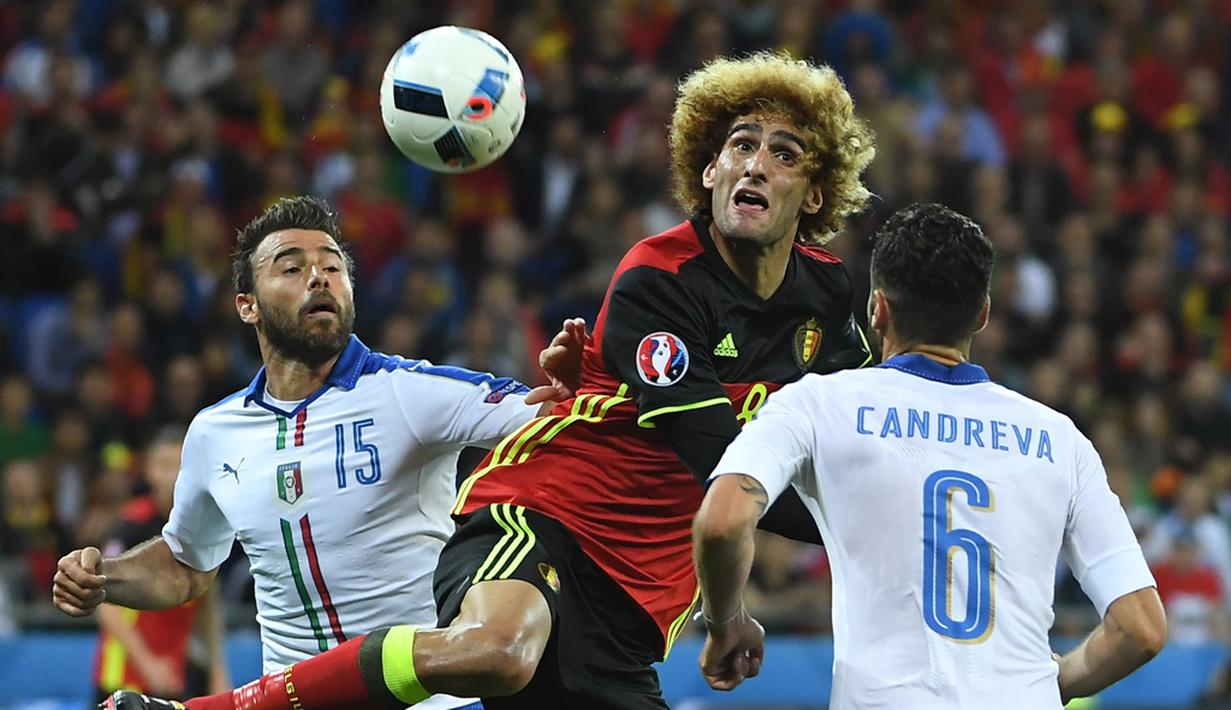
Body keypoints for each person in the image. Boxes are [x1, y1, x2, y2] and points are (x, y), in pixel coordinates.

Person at [123, 51, 877, 710]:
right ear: (707, 171)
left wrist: (733, 598)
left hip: (640, 595)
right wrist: (867, 532)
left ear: (814, 193)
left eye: (784, 153)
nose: (754, 163)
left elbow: (851, 442)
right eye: (740, 145)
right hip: (546, 511)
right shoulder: (659, 276)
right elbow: (718, 463)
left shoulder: (828, 296)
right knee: (499, 652)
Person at [51, 195, 584, 710]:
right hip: (288, 701)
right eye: (291, 267)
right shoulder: (215, 432)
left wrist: (578, 389)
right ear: (247, 305)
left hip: (431, 704)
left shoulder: (410, 393)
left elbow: (558, 420)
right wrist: (104, 578)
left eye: (333, 267)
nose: (318, 277)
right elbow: (187, 566)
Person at [693, 203, 1167, 708]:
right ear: (982, 313)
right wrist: (1051, 683)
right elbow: (1141, 628)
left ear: (877, 308)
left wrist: (726, 622)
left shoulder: (817, 403)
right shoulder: (1061, 439)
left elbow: (723, 520)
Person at [93, 426, 230, 703]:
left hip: (174, 675)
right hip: (124, 677)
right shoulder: (131, 524)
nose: (173, 476)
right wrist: (148, 664)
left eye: (180, 466)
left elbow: (207, 602)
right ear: (149, 471)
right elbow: (104, 606)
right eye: (165, 465)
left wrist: (217, 670)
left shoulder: (204, 525)